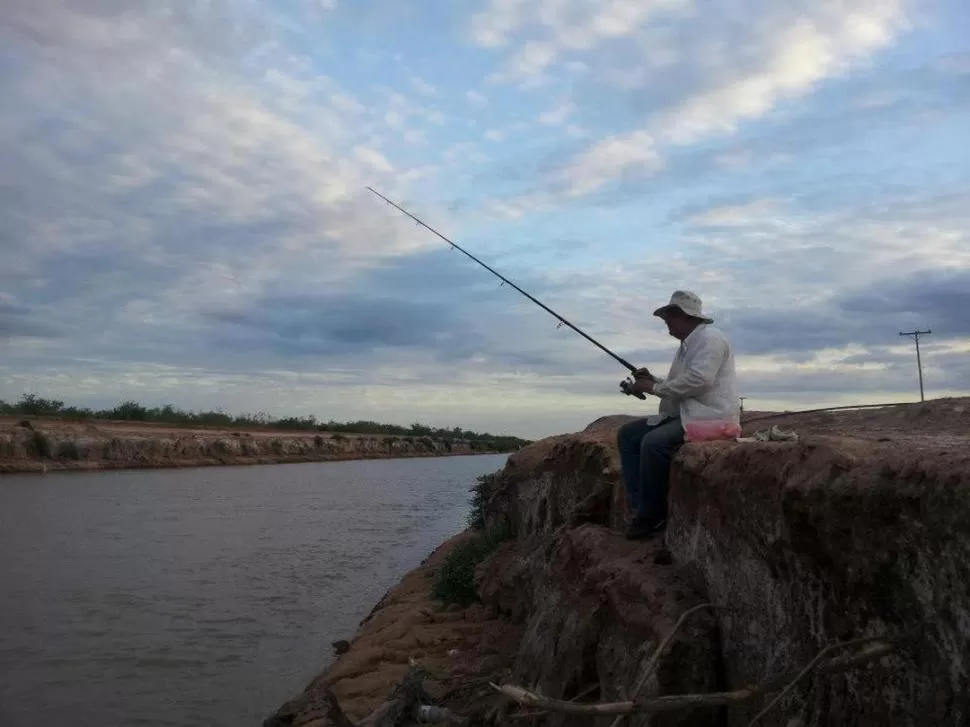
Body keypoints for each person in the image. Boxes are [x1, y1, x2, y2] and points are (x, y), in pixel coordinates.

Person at [616, 290, 739, 540]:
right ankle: (641, 506)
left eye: (668, 318)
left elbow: (700, 381)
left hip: (709, 416)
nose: (666, 325)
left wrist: (653, 387)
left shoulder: (711, 339)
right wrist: (653, 381)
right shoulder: (687, 345)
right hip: (686, 413)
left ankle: (653, 515)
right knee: (627, 435)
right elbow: (681, 383)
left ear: (685, 316)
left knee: (653, 443)